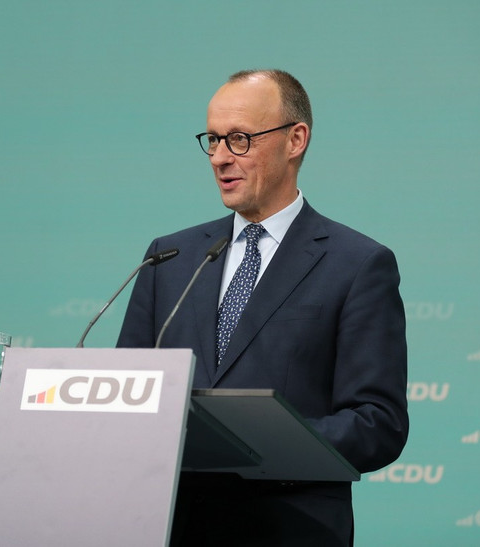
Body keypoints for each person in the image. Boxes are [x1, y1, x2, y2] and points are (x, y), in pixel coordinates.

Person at [117, 69, 408, 546]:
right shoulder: (169, 257)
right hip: (168, 526)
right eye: (213, 140)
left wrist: (255, 441)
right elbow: (124, 392)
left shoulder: (357, 264)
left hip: (288, 529)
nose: (219, 157)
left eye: (239, 139)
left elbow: (378, 423)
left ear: (295, 140)